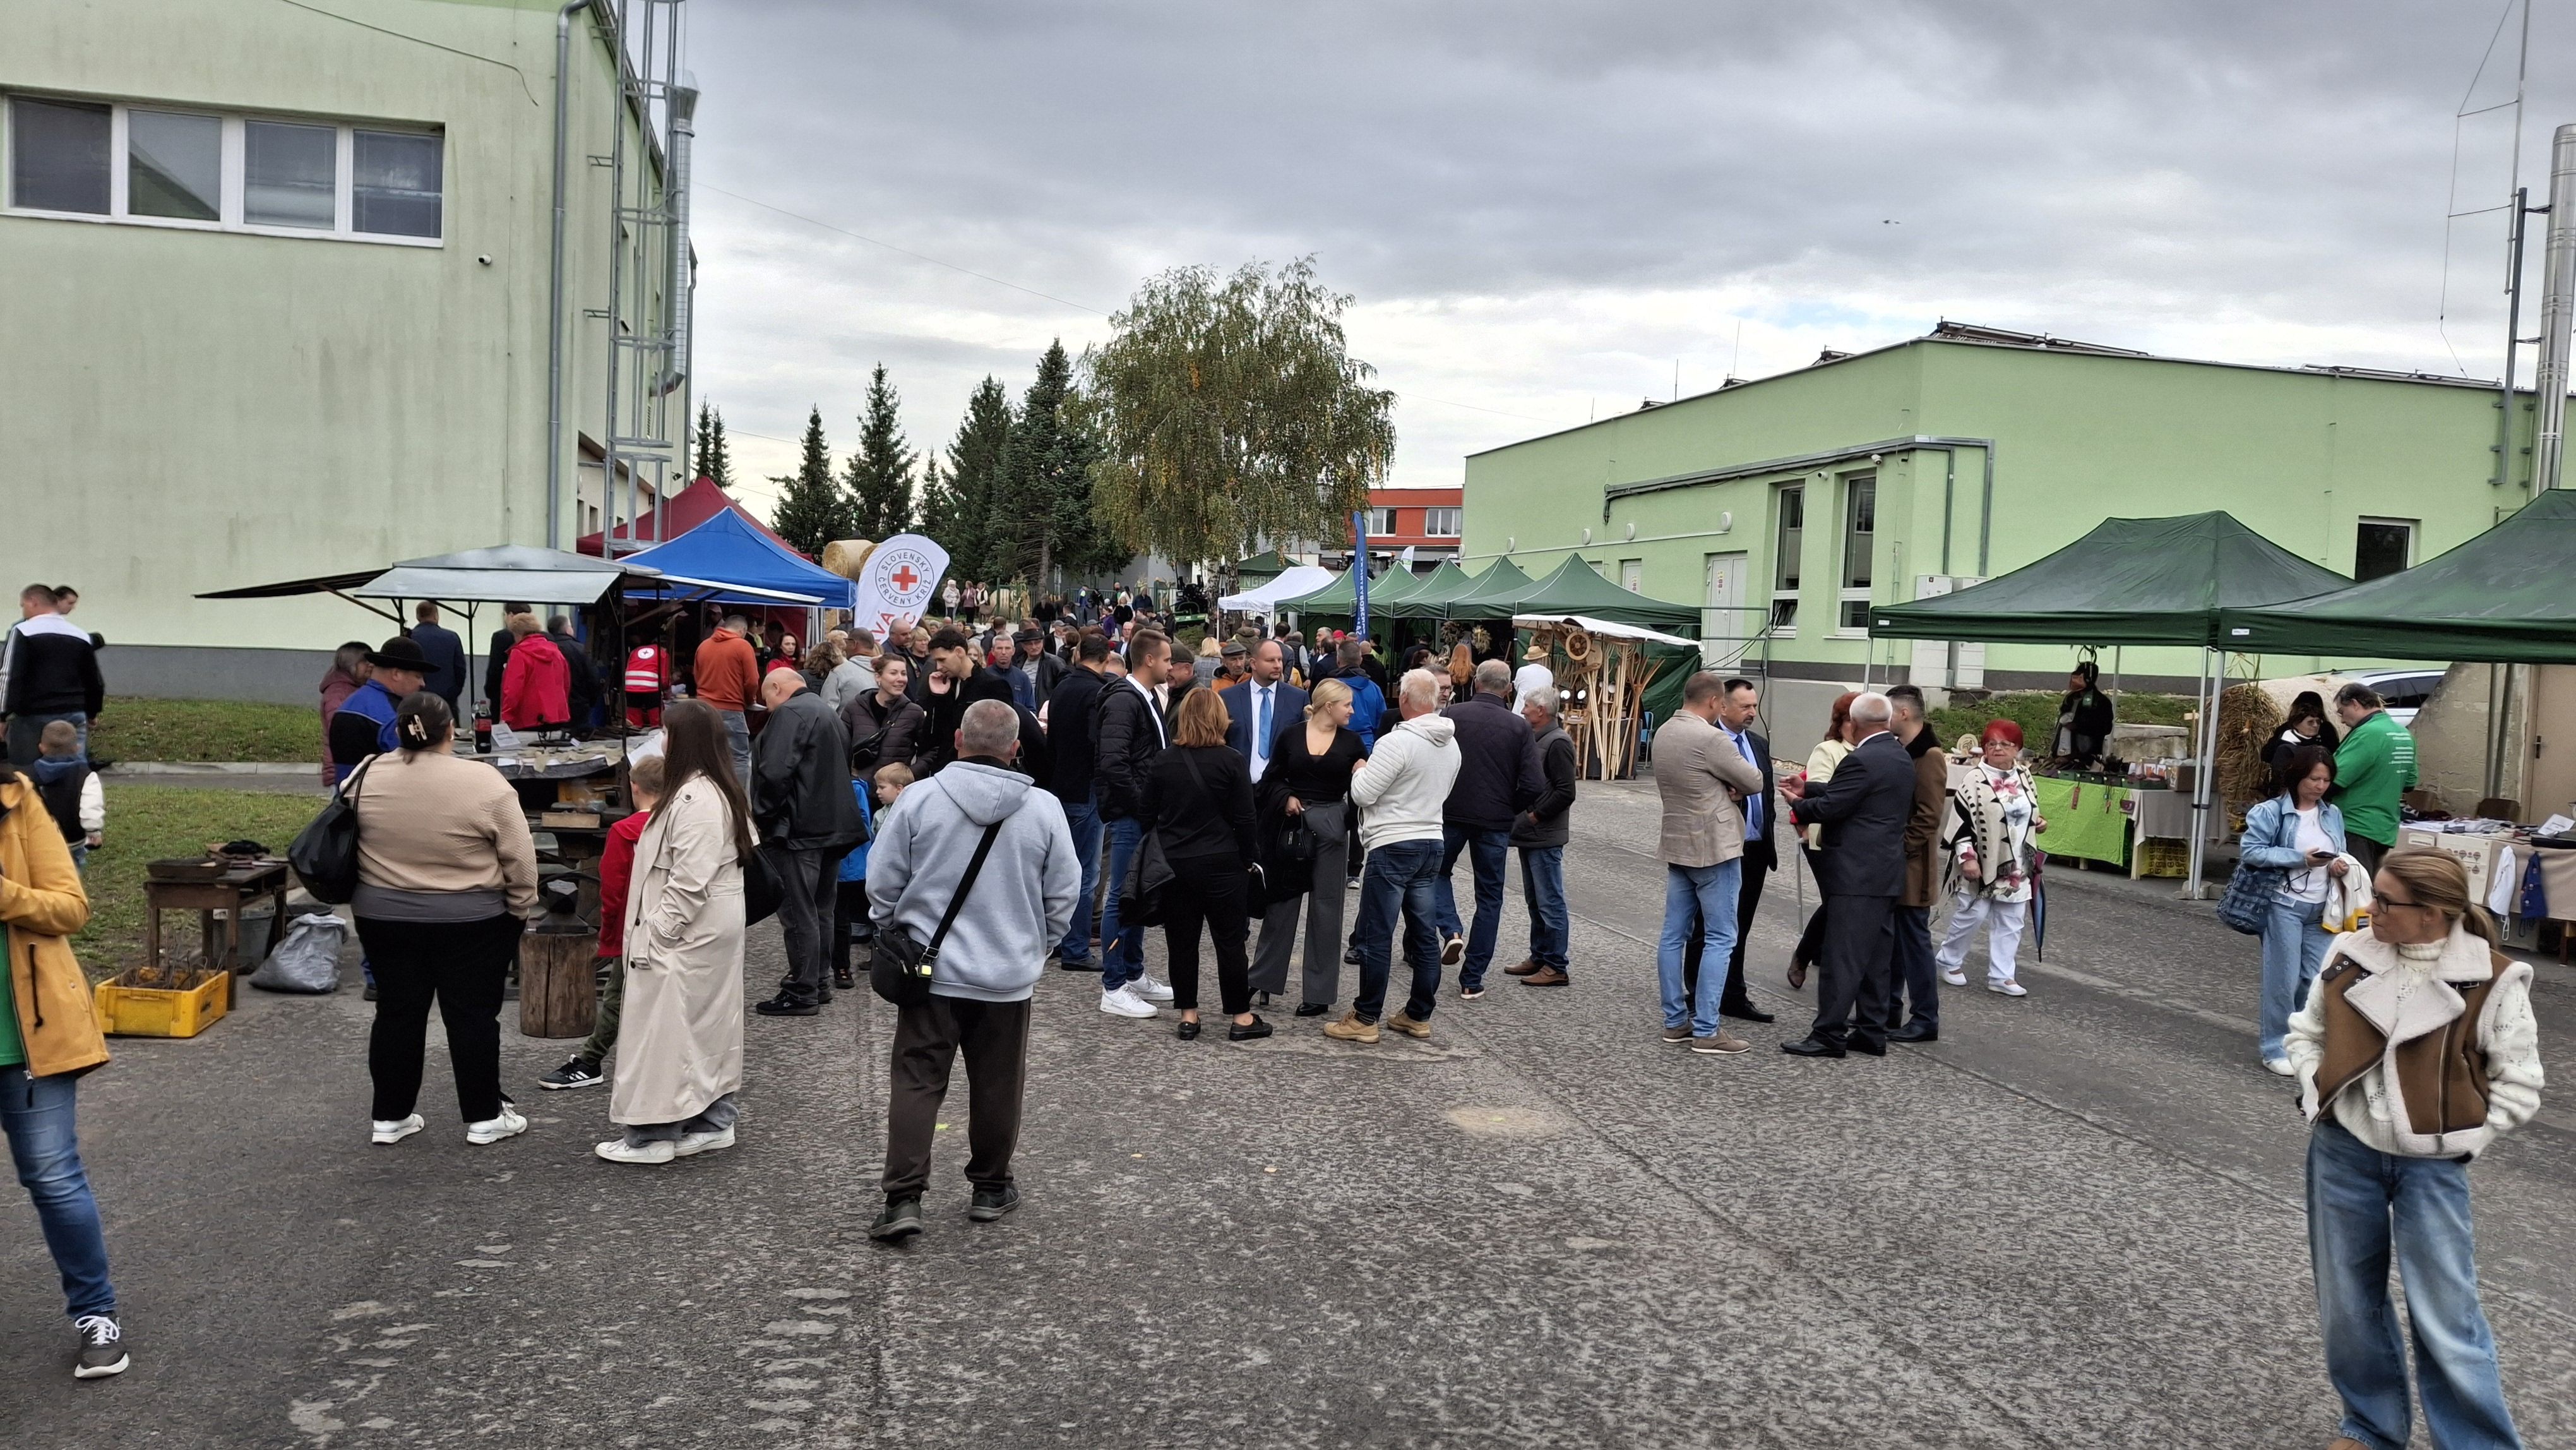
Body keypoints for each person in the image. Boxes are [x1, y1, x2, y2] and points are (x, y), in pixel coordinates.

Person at [2285, 848, 2541, 1450]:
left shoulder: (2495, 979)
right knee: (2348, 1306)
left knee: (2448, 1317)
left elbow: (2520, 1082)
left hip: (2434, 1166)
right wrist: (2316, 1090)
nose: (2371, 908)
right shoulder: (2350, 955)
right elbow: (2306, 1035)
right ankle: (2370, 1428)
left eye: (2386, 901)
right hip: (2342, 1149)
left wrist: (2463, 1141)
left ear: (2432, 913)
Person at [867, 699, 1079, 1241]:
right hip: (1007, 974)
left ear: (959, 740)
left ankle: (903, 1197)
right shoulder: (1044, 808)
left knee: (917, 1081)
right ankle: (990, 1186)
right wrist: (1038, 948)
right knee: (998, 1085)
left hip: (930, 971)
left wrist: (896, 930)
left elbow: (882, 881)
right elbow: (1064, 893)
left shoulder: (919, 799)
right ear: (1015, 748)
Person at [351, 693, 539, 1147]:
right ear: (451, 730)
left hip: (382, 914)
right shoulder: (484, 781)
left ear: (398, 730)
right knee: (473, 1015)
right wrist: (519, 907)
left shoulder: (366, 773)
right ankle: (484, 1116)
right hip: (471, 917)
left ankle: (390, 1116)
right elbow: (520, 859)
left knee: (396, 1012)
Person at [0, 745, 128, 1378]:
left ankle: (96, 1313)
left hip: (26, 1039)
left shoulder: (15, 800)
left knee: (53, 1178)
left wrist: (3, 894)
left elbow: (70, 907)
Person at [598, 700, 756, 1165]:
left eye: (667, 732)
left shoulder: (695, 798)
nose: (661, 740)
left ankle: (654, 1136)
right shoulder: (712, 789)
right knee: (705, 1031)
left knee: (662, 1038)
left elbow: (689, 879)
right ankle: (711, 1122)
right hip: (704, 933)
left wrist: (657, 933)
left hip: (686, 936)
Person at [1327, 668, 1461, 1045]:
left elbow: (1363, 794)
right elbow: (1445, 792)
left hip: (1393, 842)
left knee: (1376, 934)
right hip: (1431, 839)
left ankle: (1365, 1016)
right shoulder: (1451, 744)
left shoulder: (1396, 742)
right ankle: (1418, 1015)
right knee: (1424, 935)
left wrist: (1360, 769)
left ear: (1403, 699)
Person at [1777, 692, 1912, 1058]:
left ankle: (1829, 1034)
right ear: (1887, 721)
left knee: (1842, 957)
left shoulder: (1861, 759)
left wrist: (1799, 803)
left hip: (1856, 873)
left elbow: (1833, 806)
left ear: (1854, 723)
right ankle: (1871, 1031)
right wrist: (1811, 787)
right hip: (1885, 871)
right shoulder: (1898, 755)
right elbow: (1860, 795)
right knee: (1877, 958)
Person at [1649, 671, 1768, 1053]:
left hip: (1677, 842)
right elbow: (1754, 780)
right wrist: (1730, 788)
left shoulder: (1665, 731)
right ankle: (1707, 1029)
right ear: (1716, 702)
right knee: (1721, 937)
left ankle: (1674, 1021)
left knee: (1673, 935)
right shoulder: (1711, 738)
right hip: (1714, 847)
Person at [1144, 690, 1269, 1041]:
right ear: (1219, 719)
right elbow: (1246, 818)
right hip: (1223, 862)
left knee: (1182, 941)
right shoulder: (1232, 760)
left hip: (1177, 863)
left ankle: (1188, 1015)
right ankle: (1241, 1017)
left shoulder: (1164, 761)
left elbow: (1146, 813)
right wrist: (1249, 859)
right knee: (1230, 941)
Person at [536, 755, 665, 1092]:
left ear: (634, 788)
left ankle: (590, 1061)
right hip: (673, 925)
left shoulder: (624, 832)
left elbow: (613, 892)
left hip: (634, 928)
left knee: (616, 998)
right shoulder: (677, 826)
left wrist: (608, 935)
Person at [749, 669, 867, 1017]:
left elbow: (774, 773)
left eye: (767, 699)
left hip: (799, 830)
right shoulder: (829, 714)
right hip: (831, 828)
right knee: (821, 910)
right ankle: (817, 982)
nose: (768, 707)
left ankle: (802, 990)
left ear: (776, 688)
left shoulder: (791, 713)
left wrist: (763, 817)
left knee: (799, 912)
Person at [1433, 659, 1545, 998]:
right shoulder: (1519, 727)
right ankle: (1472, 977)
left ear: (1476, 683)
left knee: (1435, 873)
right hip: (1495, 820)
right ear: (1508, 689)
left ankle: (1451, 929)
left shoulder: (1452, 715)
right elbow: (1534, 783)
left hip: (1452, 812)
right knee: (1490, 897)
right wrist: (1509, 807)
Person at [2240, 743, 2350, 1076]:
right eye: (2314, 779)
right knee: (2283, 980)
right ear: (2298, 777)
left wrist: (2338, 865)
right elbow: (2252, 851)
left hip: (2323, 908)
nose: (2320, 786)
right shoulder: (2271, 812)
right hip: (2283, 905)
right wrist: (2299, 858)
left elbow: (2340, 851)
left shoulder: (2332, 814)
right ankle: (2275, 1047)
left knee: (2316, 979)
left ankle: (2303, 1041)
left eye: (2326, 780)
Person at [1265, 678, 1368, 1016]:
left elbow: (1363, 792)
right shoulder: (1291, 735)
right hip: (1293, 824)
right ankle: (1263, 978)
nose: (1352, 711)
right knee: (1282, 902)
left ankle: (1319, 993)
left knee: (1327, 909)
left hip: (1332, 823)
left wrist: (1359, 782)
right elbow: (1272, 777)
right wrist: (1286, 797)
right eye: (1347, 705)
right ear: (1329, 706)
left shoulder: (1352, 742)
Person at [1094, 629, 1176, 1017]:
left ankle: (1133, 972)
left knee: (1137, 893)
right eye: (1167, 659)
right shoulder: (1125, 700)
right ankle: (1113, 986)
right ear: (1149, 660)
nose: (1171, 666)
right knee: (1121, 896)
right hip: (1131, 815)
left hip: (1144, 813)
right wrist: (1143, 806)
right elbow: (1113, 763)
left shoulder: (1146, 697)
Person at [1222, 640, 1308, 1004]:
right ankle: (1237, 948)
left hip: (1278, 798)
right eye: (1271, 660)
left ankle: (1264, 974)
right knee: (1237, 871)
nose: (1278, 665)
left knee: (1275, 877)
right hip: (1238, 795)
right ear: (1252, 663)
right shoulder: (1229, 698)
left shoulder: (1297, 699)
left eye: (1281, 660)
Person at [1936, 720, 2046, 998]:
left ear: (2017, 748)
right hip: (1983, 859)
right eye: (1992, 744)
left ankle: (2002, 975)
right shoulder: (1974, 778)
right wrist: (1967, 858)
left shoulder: (2024, 775)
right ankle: (1948, 960)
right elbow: (1961, 821)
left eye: (2005, 744)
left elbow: (2029, 809)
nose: (1998, 749)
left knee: (2012, 920)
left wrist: (2038, 822)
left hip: (2017, 862)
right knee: (1973, 914)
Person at [1882, 686, 1948, 1043]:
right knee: (1894, 942)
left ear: (1904, 714)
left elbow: (1928, 816)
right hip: (1900, 864)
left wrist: (1900, 849)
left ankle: (1925, 1017)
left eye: (1889, 711)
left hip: (1914, 867)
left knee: (1915, 944)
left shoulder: (1930, 756)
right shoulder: (1904, 749)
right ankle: (1889, 1009)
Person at [1045, 633, 1111, 972]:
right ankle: (1075, 948)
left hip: (1060, 785)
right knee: (1086, 873)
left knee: (1059, 869)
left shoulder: (1063, 687)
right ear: (1105, 658)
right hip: (1086, 789)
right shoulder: (1097, 692)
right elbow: (1095, 744)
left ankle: (1057, 940)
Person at [1785, 691, 1859, 987]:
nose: (1857, 725)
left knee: (1844, 902)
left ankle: (1817, 952)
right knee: (1836, 901)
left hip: (1857, 840)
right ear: (1840, 722)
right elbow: (1820, 794)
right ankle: (1804, 955)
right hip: (1823, 839)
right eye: (1851, 719)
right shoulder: (1828, 750)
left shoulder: (1872, 749)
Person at [1505, 685, 1576, 988]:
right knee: (1536, 900)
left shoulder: (1557, 742)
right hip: (1531, 833)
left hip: (1544, 834)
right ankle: (1540, 955)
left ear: (1542, 711)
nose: (1523, 711)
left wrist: (1535, 816)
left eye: (1527, 706)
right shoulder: (1539, 738)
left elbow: (1566, 791)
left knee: (1550, 901)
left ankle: (1556, 964)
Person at [3, 585, 104, 768]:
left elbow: (8, 676)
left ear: (33, 602)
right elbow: (93, 679)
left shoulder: (22, 631)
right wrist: (92, 712)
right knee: (75, 772)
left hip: (33, 713)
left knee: (26, 772)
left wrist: (2, 716)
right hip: (74, 711)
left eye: (23, 605)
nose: (23, 610)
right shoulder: (80, 635)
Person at [2330, 681, 2417, 876]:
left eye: (2342, 712)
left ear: (2355, 704)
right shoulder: (2404, 734)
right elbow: (2409, 784)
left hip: (2355, 825)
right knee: (2369, 885)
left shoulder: (2367, 734)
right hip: (2385, 827)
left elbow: (2334, 781)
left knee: (2354, 886)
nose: (2342, 720)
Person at [328, 637, 428, 783]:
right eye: (418, 676)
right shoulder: (393, 714)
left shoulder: (350, 704)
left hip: (348, 791)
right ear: (396, 674)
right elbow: (420, 762)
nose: (422, 683)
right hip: (382, 792)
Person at [918, 627, 1015, 777]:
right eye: (936, 661)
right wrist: (937, 697)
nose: (938, 667)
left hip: (980, 773)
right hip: (945, 772)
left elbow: (1002, 737)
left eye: (942, 660)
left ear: (959, 652)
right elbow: (932, 736)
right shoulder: (946, 684)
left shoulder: (993, 686)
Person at [693, 613, 761, 787]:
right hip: (732, 709)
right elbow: (752, 681)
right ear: (743, 630)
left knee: (706, 756)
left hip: (704, 709)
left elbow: (697, 676)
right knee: (739, 758)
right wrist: (750, 700)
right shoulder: (743, 646)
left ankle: (707, 793)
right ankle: (737, 798)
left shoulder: (704, 646)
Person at [844, 652, 927, 789]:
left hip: (896, 793)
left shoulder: (914, 712)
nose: (901, 679)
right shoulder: (854, 708)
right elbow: (840, 747)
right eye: (894, 673)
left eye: (904, 674)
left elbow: (929, 751)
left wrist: (908, 775)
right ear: (878, 677)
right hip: (859, 791)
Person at [30, 721, 102, 870]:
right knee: (73, 873)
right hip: (73, 839)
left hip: (40, 838)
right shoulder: (85, 775)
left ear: (41, 747)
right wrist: (93, 832)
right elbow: (91, 806)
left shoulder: (30, 775)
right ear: (77, 748)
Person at [499, 613, 571, 733]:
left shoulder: (519, 653)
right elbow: (566, 684)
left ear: (517, 634)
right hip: (557, 717)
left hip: (528, 719)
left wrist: (506, 717)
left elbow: (513, 690)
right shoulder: (557, 653)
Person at [318, 641, 373, 785]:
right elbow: (340, 731)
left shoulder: (354, 688)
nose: (370, 665)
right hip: (342, 771)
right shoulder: (337, 693)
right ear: (350, 665)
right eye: (364, 661)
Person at [408, 602, 467, 715]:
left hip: (416, 701)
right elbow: (460, 670)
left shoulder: (409, 637)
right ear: (436, 616)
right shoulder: (452, 637)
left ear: (418, 616)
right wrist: (453, 693)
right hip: (446, 699)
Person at [547, 616, 598, 732]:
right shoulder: (580, 649)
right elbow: (593, 678)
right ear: (567, 630)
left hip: (550, 708)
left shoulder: (544, 648)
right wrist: (591, 701)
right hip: (578, 706)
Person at [482, 601, 532, 716]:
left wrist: (490, 691)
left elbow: (495, 668)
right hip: (530, 697)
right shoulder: (541, 637)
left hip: (503, 695)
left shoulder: (501, 637)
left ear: (511, 615)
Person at [621, 632, 672, 729]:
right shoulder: (663, 654)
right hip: (650, 687)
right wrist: (666, 692)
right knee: (656, 720)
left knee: (634, 721)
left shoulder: (635, 651)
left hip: (630, 685)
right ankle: (656, 733)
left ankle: (634, 731)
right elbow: (664, 679)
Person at [823, 628, 879, 716]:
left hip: (846, 724)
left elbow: (827, 711)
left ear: (854, 644)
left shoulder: (839, 673)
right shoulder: (886, 673)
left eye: (847, 642)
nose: (845, 649)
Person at [2263, 704, 2329, 774]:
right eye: (2310, 722)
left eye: (2318, 722)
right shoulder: (2285, 748)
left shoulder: (2321, 741)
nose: (2316, 725)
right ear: (2296, 724)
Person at [1510, 642, 1553, 715]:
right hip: (1540, 712)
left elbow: (1517, 687)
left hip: (1521, 710)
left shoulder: (1521, 671)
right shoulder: (1548, 673)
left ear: (1528, 659)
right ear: (1541, 658)